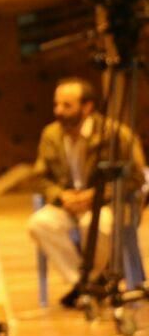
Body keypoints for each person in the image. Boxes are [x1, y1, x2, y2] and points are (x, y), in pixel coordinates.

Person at [28, 77, 146, 306]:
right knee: (38, 224)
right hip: (68, 204)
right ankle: (86, 284)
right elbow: (39, 177)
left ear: (87, 107)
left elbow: (135, 177)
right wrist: (60, 196)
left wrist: (96, 196)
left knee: (95, 225)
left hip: (107, 205)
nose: (59, 111)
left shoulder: (113, 134)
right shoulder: (50, 135)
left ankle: (86, 285)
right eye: (57, 104)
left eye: (67, 105)